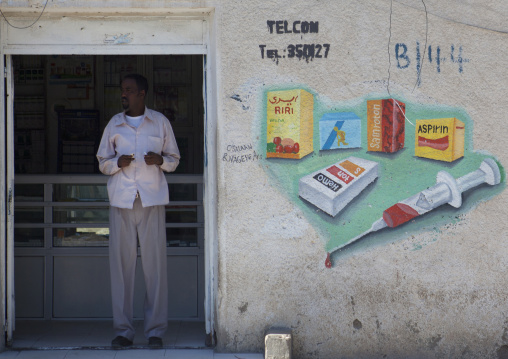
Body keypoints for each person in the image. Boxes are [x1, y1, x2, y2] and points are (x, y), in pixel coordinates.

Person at [96, 74, 180, 349]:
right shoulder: (114, 124)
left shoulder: (159, 122)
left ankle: (155, 331)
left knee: (155, 267)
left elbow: (174, 159)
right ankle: (123, 331)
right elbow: (102, 161)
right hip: (122, 200)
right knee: (121, 268)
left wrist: (161, 161)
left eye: (129, 91)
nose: (124, 94)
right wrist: (116, 163)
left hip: (151, 199)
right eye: (123, 90)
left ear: (142, 94)